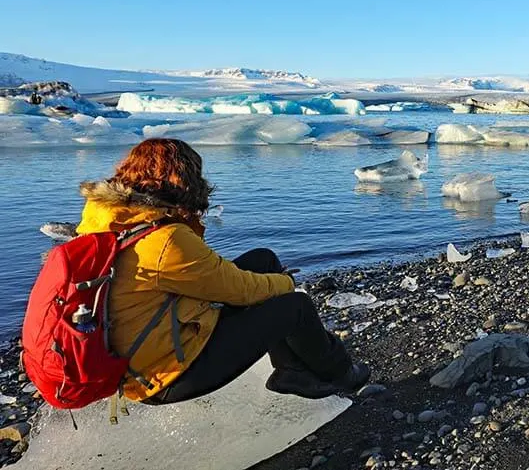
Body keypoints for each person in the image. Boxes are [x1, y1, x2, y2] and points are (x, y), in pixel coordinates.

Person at [75, 137, 369, 404]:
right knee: (296, 307)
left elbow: (200, 275)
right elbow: (239, 290)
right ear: (181, 178)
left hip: (148, 344)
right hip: (165, 373)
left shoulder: (108, 221)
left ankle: (290, 369)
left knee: (262, 260)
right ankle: (344, 375)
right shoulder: (163, 240)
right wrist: (284, 283)